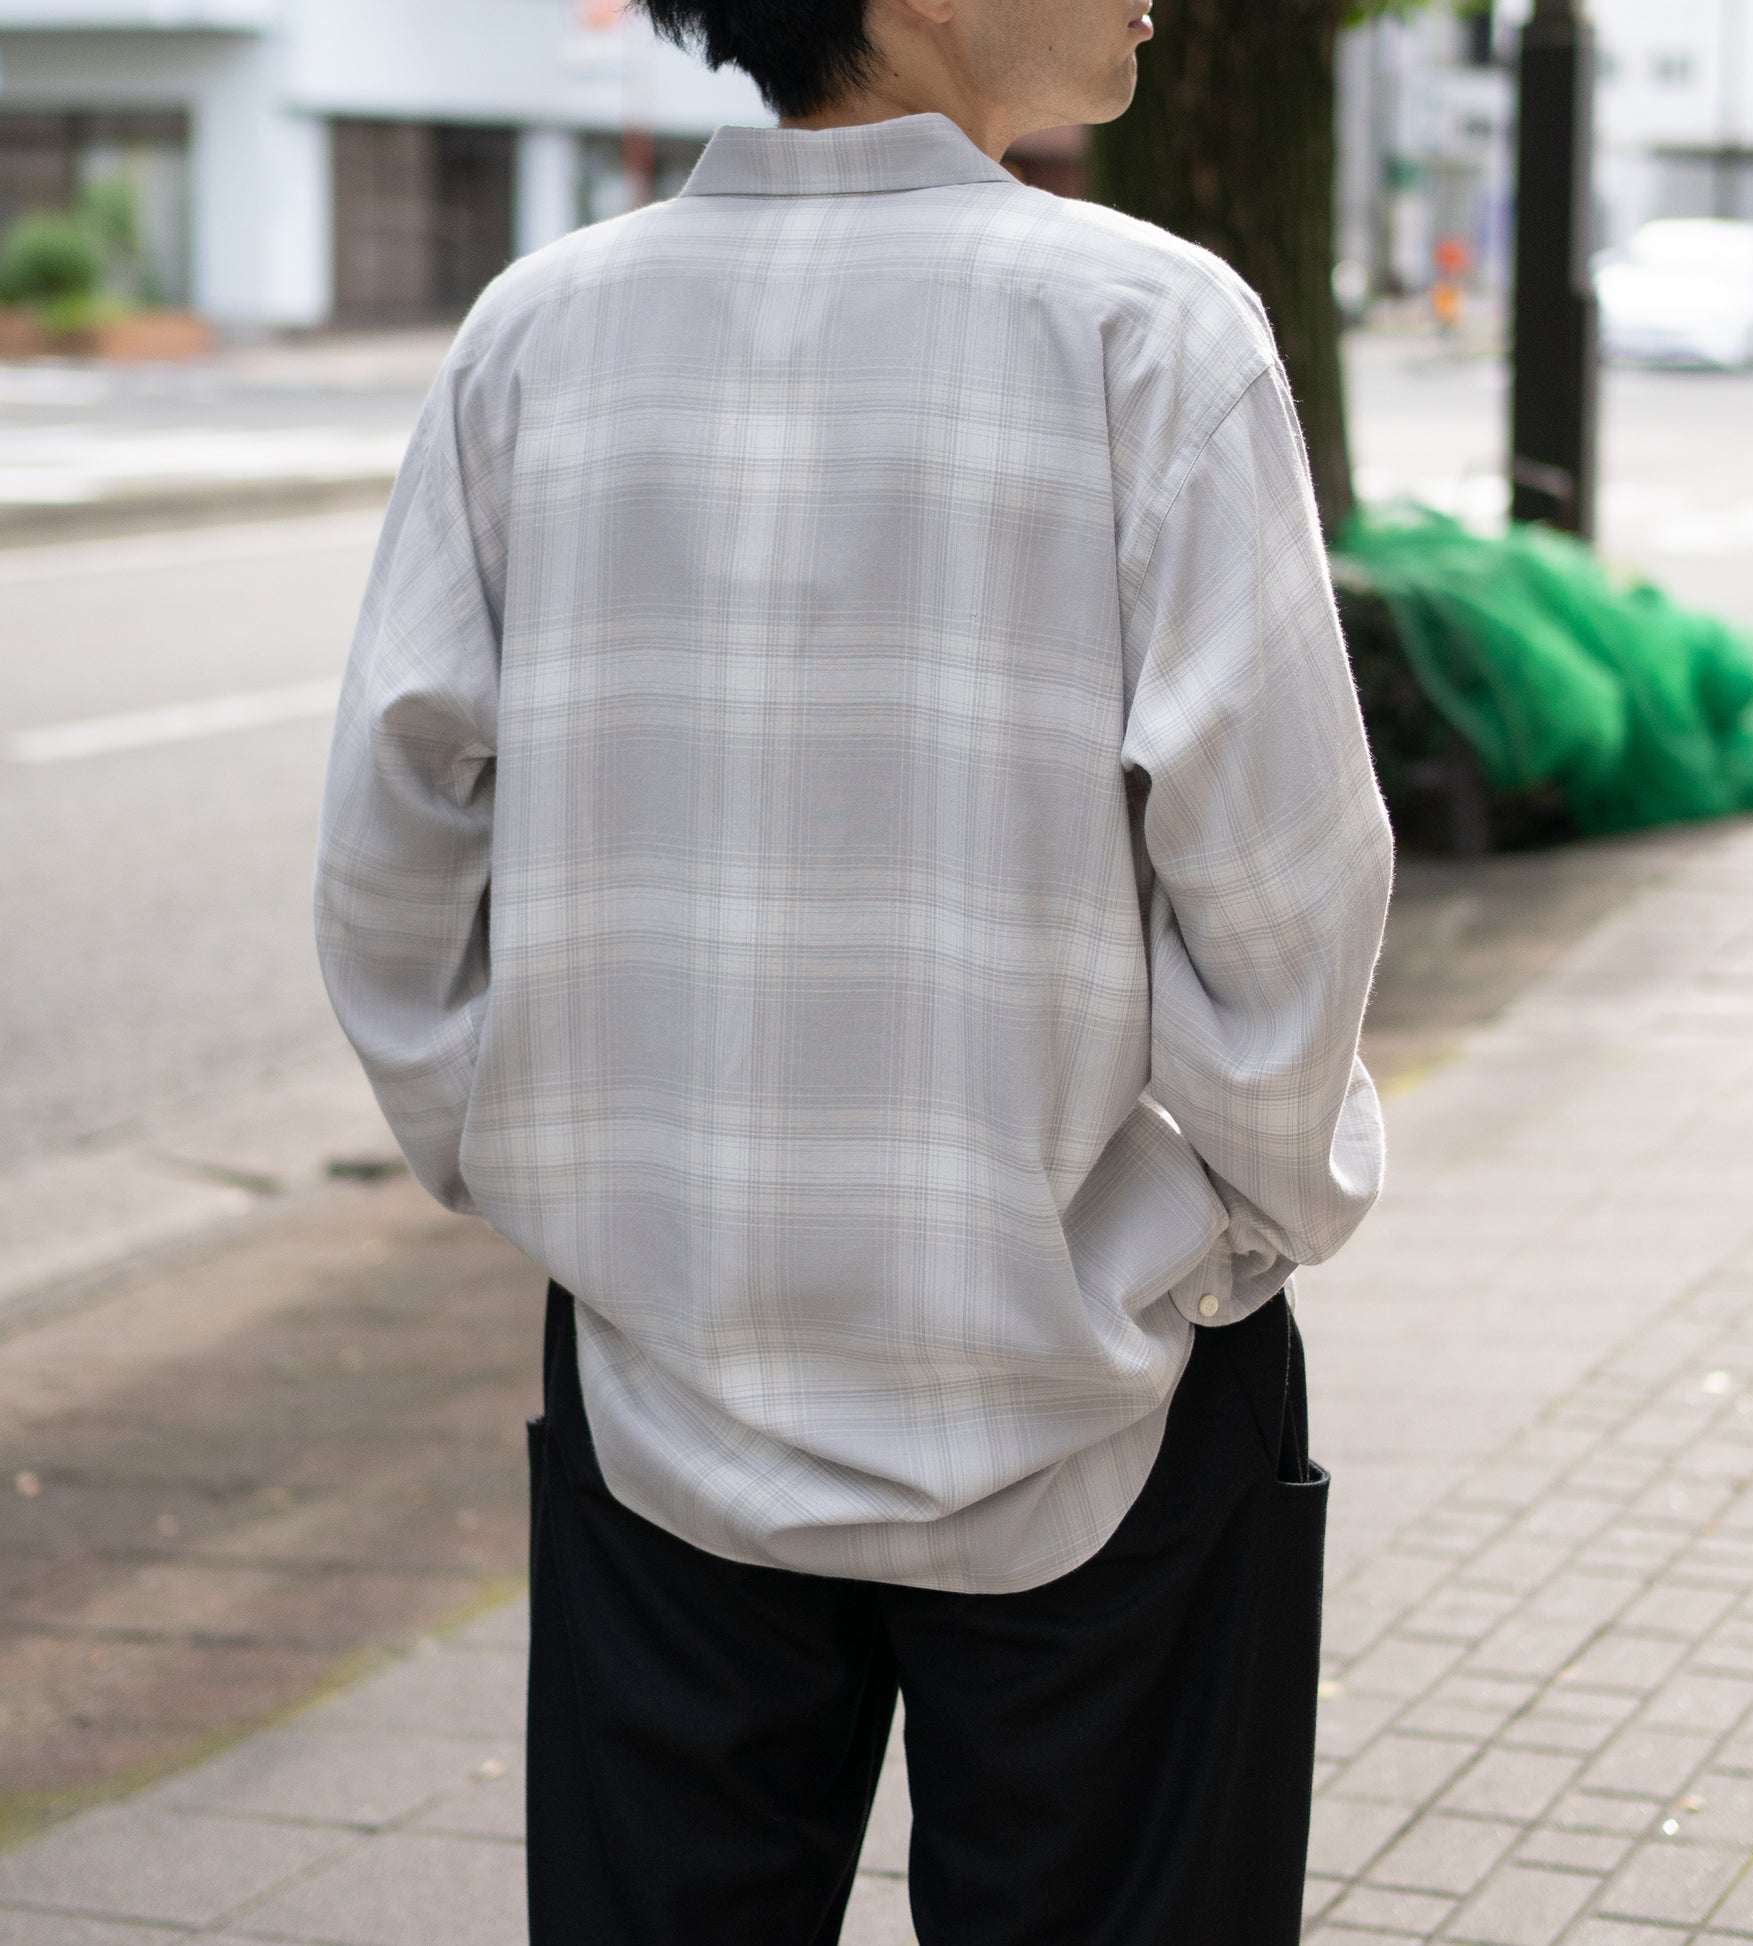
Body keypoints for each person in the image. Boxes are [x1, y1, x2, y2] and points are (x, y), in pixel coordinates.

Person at [313, 0, 1395, 1932]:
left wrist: (542, 1172)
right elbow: (1284, 889)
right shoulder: (1148, 330)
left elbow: (396, 855)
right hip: (1101, 1371)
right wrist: (1236, 1229)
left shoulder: (536, 336)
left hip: (663, 1380)